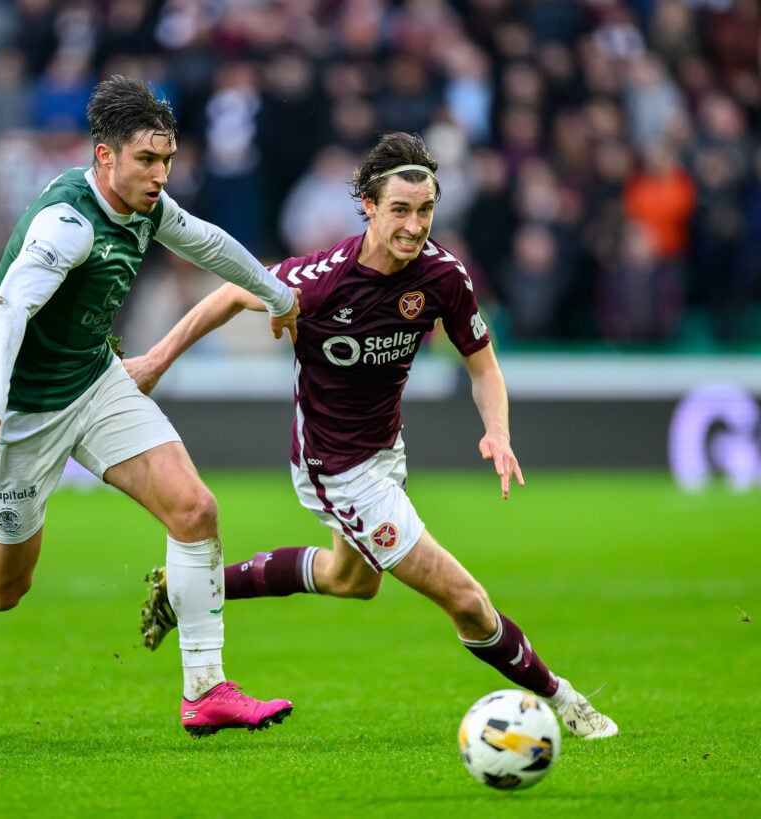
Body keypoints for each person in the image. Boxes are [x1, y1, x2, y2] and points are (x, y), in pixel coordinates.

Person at [0, 75, 300, 738]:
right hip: (21, 410)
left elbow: (207, 241)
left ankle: (206, 687)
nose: (160, 174)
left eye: (167, 160)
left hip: (93, 380)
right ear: (105, 156)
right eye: (147, 160)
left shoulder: (148, 206)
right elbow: (5, 312)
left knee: (194, 508)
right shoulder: (67, 224)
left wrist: (277, 295)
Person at [126, 131, 619, 740]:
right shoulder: (320, 280)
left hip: (385, 450)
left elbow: (484, 366)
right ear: (367, 204)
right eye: (401, 211)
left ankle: (188, 591)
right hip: (334, 467)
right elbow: (230, 293)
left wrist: (498, 430)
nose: (415, 226)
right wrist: (156, 360)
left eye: (426, 210)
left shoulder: (443, 277)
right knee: (464, 599)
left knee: (351, 581)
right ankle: (568, 702)